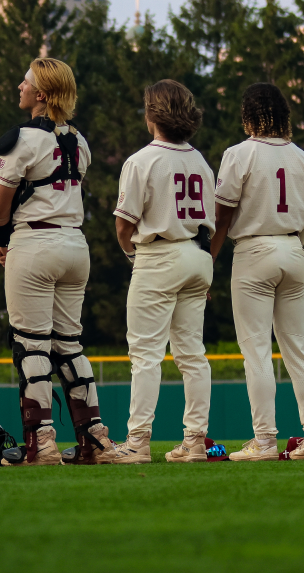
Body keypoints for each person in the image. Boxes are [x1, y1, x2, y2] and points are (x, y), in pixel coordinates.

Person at [0, 58, 117, 466]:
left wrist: (3, 242)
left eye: (26, 82)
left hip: (35, 243)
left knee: (31, 346)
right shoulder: (80, 141)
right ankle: (95, 440)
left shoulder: (23, 139)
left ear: (41, 94)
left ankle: (41, 442)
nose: (20, 86)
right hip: (75, 245)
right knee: (69, 346)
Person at [209, 83, 304, 461]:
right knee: (297, 347)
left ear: (248, 114)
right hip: (294, 249)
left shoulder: (238, 153)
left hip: (254, 250)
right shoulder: (303, 158)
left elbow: (222, 217)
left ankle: (263, 441)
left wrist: (208, 261)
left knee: (257, 350)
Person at [112, 79, 215, 464]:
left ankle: (137, 442)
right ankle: (195, 441)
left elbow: (123, 226)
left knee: (145, 355)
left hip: (158, 254)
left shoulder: (142, 160)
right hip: (197, 254)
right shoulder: (200, 161)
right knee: (193, 355)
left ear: (152, 114)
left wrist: (132, 257)